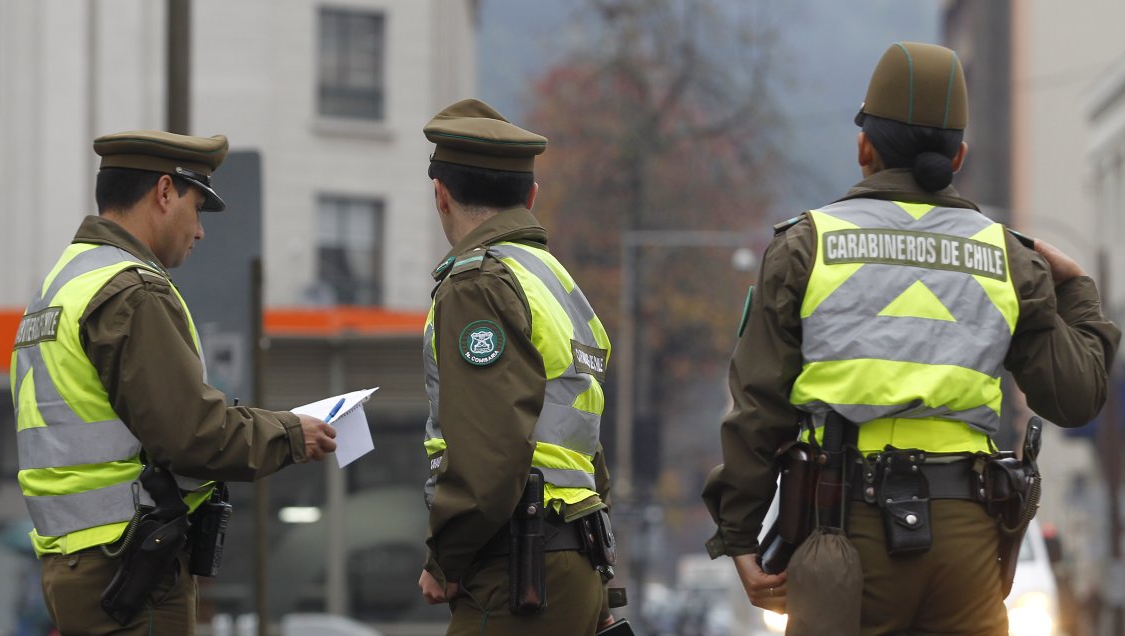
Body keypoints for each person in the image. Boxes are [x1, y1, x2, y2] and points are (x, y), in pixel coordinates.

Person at [701, 42, 1121, 635]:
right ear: (959, 157)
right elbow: (1076, 398)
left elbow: (759, 408)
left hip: (845, 529)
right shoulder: (1007, 258)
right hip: (971, 540)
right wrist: (1076, 286)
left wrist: (739, 534)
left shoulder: (806, 246)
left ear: (864, 147)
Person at [9, 130, 338, 635]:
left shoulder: (58, 288)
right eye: (198, 207)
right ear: (164, 192)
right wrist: (292, 432)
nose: (200, 231)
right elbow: (191, 436)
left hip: (76, 564)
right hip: (130, 570)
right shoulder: (131, 291)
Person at [415, 99, 618, 636]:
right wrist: (602, 582)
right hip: (574, 558)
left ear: (440, 194)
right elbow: (585, 449)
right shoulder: (557, 283)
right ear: (530, 197)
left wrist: (445, 559)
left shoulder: (478, 285)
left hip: (517, 567)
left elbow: (492, 453)